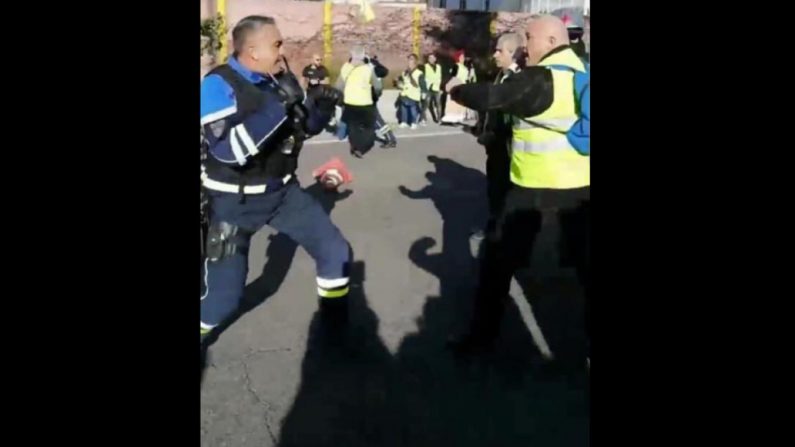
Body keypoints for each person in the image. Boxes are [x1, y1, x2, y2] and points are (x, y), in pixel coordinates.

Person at [445, 15, 590, 363]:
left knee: (496, 263)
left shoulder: (546, 78)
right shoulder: (579, 72)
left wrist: (456, 90)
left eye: (530, 37)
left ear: (552, 40)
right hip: (579, 190)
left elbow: (494, 96)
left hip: (537, 190)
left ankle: (481, 339)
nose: (526, 45)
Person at [200, 16, 349, 348]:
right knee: (223, 300)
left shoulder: (275, 79)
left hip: (283, 194)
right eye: (277, 43)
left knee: (335, 250)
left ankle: (335, 331)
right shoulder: (216, 85)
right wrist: (282, 103)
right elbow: (229, 150)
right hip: (233, 204)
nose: (284, 50)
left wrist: (319, 107)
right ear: (252, 50)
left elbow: (302, 129)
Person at [470, 32, 523, 245]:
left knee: (503, 192)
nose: (495, 54)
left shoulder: (517, 80)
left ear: (512, 52)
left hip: (507, 149)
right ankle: (496, 226)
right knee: (494, 189)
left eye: (500, 50)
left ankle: (500, 233)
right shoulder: (501, 75)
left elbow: (510, 119)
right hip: (495, 146)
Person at [335, 46, 380, 158]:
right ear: (363, 56)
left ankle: (354, 146)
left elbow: (338, 86)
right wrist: (376, 95)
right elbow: (378, 86)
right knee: (369, 127)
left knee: (353, 126)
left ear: (352, 55)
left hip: (350, 103)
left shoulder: (346, 67)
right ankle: (362, 147)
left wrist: (344, 96)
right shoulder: (368, 69)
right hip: (365, 103)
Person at [369, 55, 397, 148]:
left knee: (377, 120)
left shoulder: (371, 69)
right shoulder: (375, 69)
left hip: (369, 98)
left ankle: (390, 139)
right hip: (370, 97)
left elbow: (376, 87)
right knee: (375, 120)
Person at [396, 54, 425, 129]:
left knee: (413, 109)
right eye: (409, 59)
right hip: (405, 93)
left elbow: (422, 84)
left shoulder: (419, 73)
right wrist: (399, 84)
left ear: (415, 61)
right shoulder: (404, 72)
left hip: (413, 93)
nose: (409, 61)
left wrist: (424, 92)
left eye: (411, 59)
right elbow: (402, 81)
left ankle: (414, 122)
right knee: (404, 109)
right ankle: (404, 121)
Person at [420, 53, 443, 124]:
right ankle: (423, 118)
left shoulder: (439, 67)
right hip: (428, 88)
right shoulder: (425, 66)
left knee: (438, 104)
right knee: (426, 104)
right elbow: (422, 77)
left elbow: (440, 77)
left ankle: (439, 118)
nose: (431, 59)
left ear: (435, 59)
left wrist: (441, 88)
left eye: (433, 58)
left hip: (436, 88)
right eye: (430, 58)